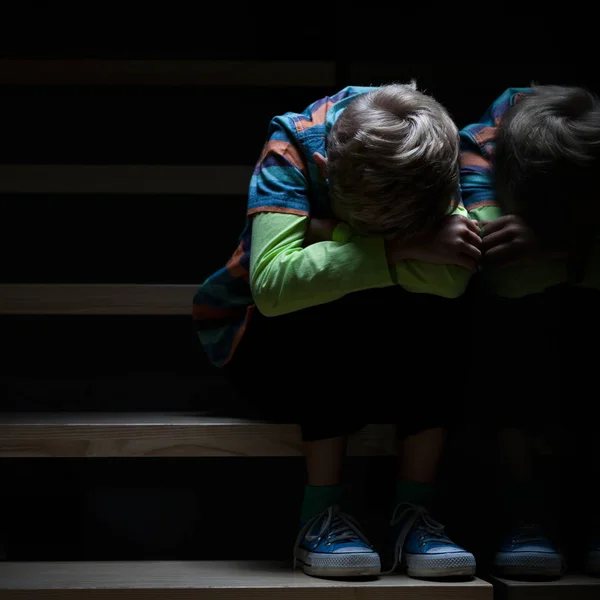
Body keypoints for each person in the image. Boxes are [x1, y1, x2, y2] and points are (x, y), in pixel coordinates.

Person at [193, 83, 481, 579]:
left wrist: (332, 235)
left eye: (401, 229)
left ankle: (415, 513)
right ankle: (320, 515)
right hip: (263, 344)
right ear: (327, 169)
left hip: (380, 353)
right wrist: (398, 249)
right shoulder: (293, 145)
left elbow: (452, 277)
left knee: (442, 307)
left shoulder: (429, 148)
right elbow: (275, 285)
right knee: (320, 298)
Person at [460, 84, 600, 578]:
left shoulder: (590, 146)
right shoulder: (479, 146)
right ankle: (524, 515)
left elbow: (532, 257)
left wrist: (554, 246)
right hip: (511, 320)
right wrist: (581, 249)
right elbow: (506, 272)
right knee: (507, 316)